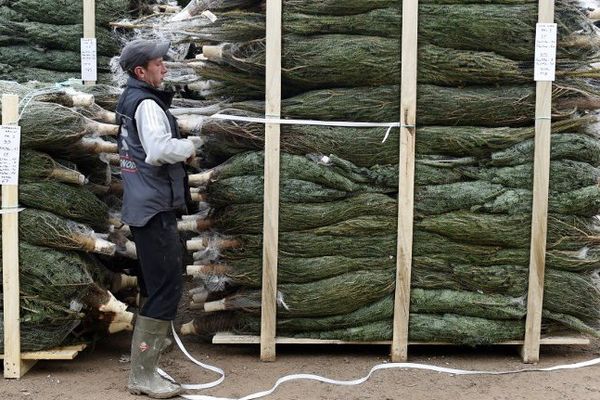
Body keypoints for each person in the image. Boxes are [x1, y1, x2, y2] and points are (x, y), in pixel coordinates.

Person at [116, 39, 196, 399]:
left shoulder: (130, 98)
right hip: (153, 208)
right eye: (158, 63)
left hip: (141, 203)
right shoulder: (146, 103)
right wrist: (189, 145)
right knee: (167, 287)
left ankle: (148, 354)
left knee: (154, 284)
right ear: (140, 71)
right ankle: (142, 376)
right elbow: (158, 150)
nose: (164, 67)